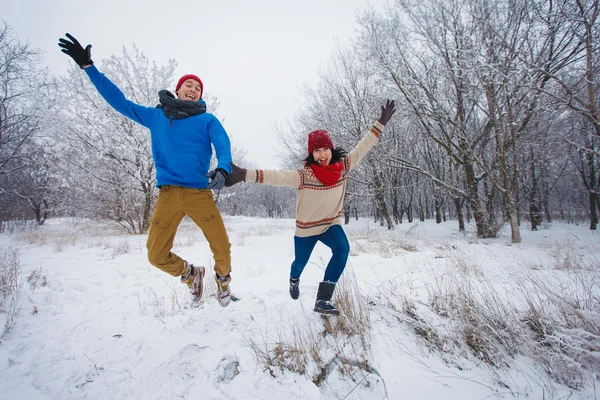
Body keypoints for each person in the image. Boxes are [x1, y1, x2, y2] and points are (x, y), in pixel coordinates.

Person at [58, 33, 234, 307]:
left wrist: (223, 168)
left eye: (197, 88)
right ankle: (191, 274)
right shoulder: (157, 117)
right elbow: (120, 102)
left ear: (200, 96)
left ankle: (223, 280)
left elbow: (222, 144)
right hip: (168, 195)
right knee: (155, 254)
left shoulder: (207, 120)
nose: (192, 89)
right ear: (178, 90)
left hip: (199, 192)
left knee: (222, 247)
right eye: (187, 85)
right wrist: (89, 69)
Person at [225, 100, 396, 315]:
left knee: (342, 249)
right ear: (311, 155)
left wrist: (380, 123)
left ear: (331, 150)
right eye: (317, 151)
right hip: (306, 229)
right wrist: (243, 175)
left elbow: (363, 146)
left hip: (330, 225)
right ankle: (294, 280)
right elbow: (277, 177)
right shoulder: (305, 176)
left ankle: (323, 299)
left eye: (325, 149)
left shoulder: (343, 168)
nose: (322, 154)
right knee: (299, 264)